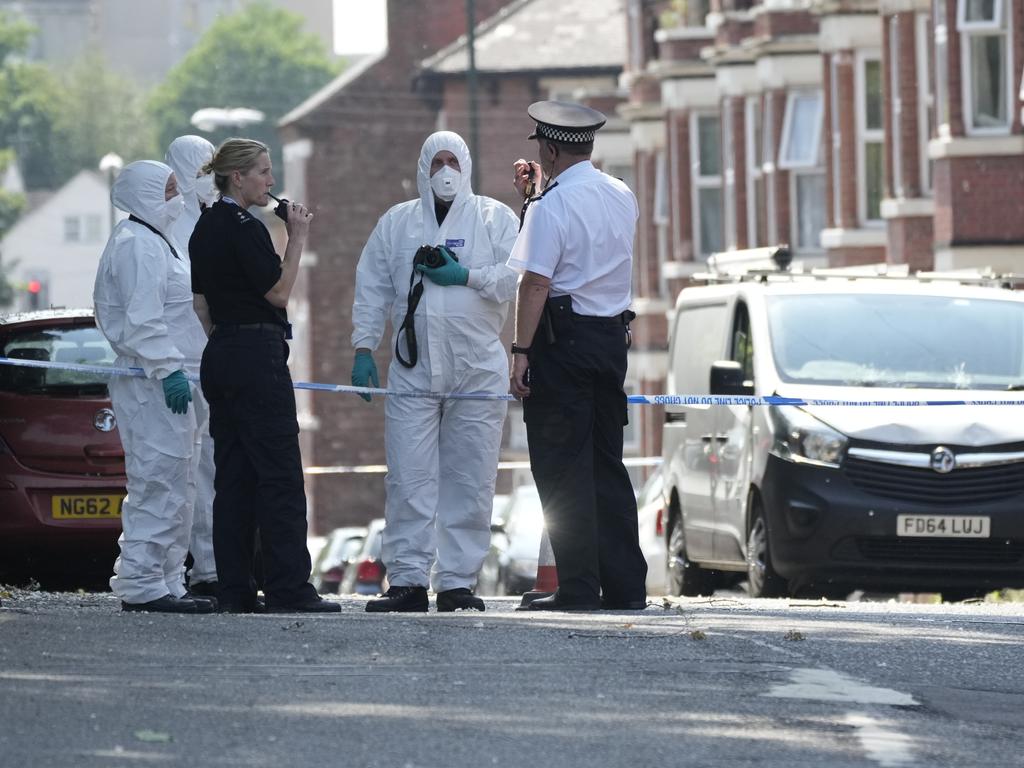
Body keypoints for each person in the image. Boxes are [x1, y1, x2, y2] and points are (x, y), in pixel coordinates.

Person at [351, 131, 519, 612]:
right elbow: (372, 287)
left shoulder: (494, 218)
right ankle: (405, 580)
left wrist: (464, 275)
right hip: (414, 368)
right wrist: (364, 347)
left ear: (466, 166)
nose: (445, 170)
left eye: (453, 161)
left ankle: (457, 582)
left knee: (471, 477)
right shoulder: (398, 224)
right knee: (409, 478)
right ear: (423, 167)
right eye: (436, 161)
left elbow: (516, 277)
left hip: (477, 369)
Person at [507, 101, 648, 611]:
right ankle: (626, 586)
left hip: (562, 342)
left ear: (547, 147)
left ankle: (579, 587)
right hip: (611, 339)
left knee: (562, 466)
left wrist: (521, 351)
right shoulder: (620, 193)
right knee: (606, 463)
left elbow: (537, 280)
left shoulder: (551, 206)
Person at [189, 138, 339, 614]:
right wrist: (297, 237)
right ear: (238, 177)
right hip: (256, 354)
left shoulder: (203, 227)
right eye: (263, 172)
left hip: (222, 351)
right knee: (278, 476)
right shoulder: (245, 227)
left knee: (233, 477)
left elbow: (201, 305)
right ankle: (288, 587)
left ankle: (235, 588)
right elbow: (278, 292)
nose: (270, 182)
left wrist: (228, 340)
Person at [93, 160, 215, 614]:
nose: (176, 198)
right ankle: (142, 581)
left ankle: (166, 578)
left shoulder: (156, 242)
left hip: (170, 378)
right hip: (153, 381)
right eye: (166, 190)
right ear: (142, 195)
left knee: (180, 481)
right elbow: (143, 321)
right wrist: (168, 369)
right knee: (157, 480)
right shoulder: (136, 246)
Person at [165, 134, 221, 597]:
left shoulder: (217, 219)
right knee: (184, 472)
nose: (209, 180)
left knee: (218, 469)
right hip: (178, 368)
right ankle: (189, 572)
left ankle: (216, 568)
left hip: (215, 363)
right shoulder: (163, 227)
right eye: (201, 170)